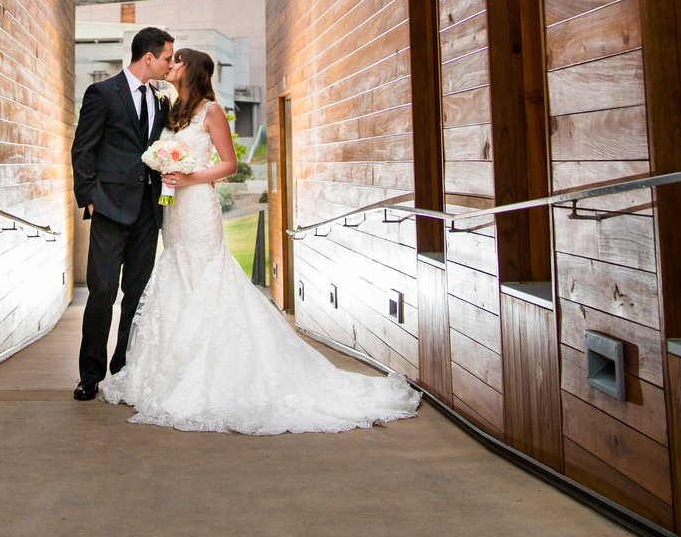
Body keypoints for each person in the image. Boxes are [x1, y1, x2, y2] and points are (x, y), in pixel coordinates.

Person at [100, 48, 420, 433]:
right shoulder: (171, 109)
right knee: (178, 273)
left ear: (192, 69)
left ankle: (212, 372)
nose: (171, 65)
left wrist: (190, 177)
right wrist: (167, 169)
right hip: (174, 210)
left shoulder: (210, 111)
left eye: (178, 60)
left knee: (207, 276)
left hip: (197, 206)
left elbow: (229, 163)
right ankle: (169, 369)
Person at [70, 26, 173, 400]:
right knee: (102, 291)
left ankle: (123, 368)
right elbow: (83, 148)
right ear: (149, 57)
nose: (169, 65)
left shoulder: (161, 101)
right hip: (110, 208)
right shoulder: (102, 93)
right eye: (166, 58)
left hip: (149, 210)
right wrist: (89, 197)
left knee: (137, 293)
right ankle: (90, 375)